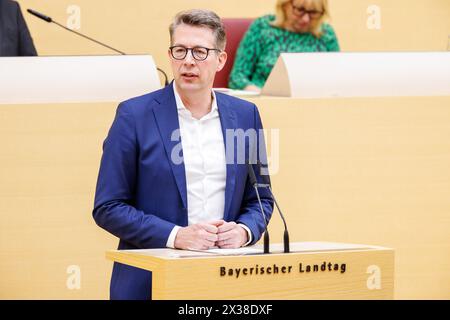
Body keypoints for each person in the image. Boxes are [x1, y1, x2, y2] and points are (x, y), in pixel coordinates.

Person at [93, 9, 274, 300]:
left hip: (225, 282)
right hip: (151, 282)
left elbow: (261, 199)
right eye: (180, 50)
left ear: (221, 59)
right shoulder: (134, 115)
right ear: (170, 55)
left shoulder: (245, 115)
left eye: (200, 52)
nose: (188, 61)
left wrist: (244, 231)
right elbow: (108, 206)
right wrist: (176, 235)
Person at [228, 0, 339, 92]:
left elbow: (337, 77)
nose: (306, 19)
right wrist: (261, 95)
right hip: (266, 102)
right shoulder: (263, 27)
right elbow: (237, 77)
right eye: (300, 10)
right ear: (285, 5)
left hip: (315, 104)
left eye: (313, 12)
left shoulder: (326, 34)